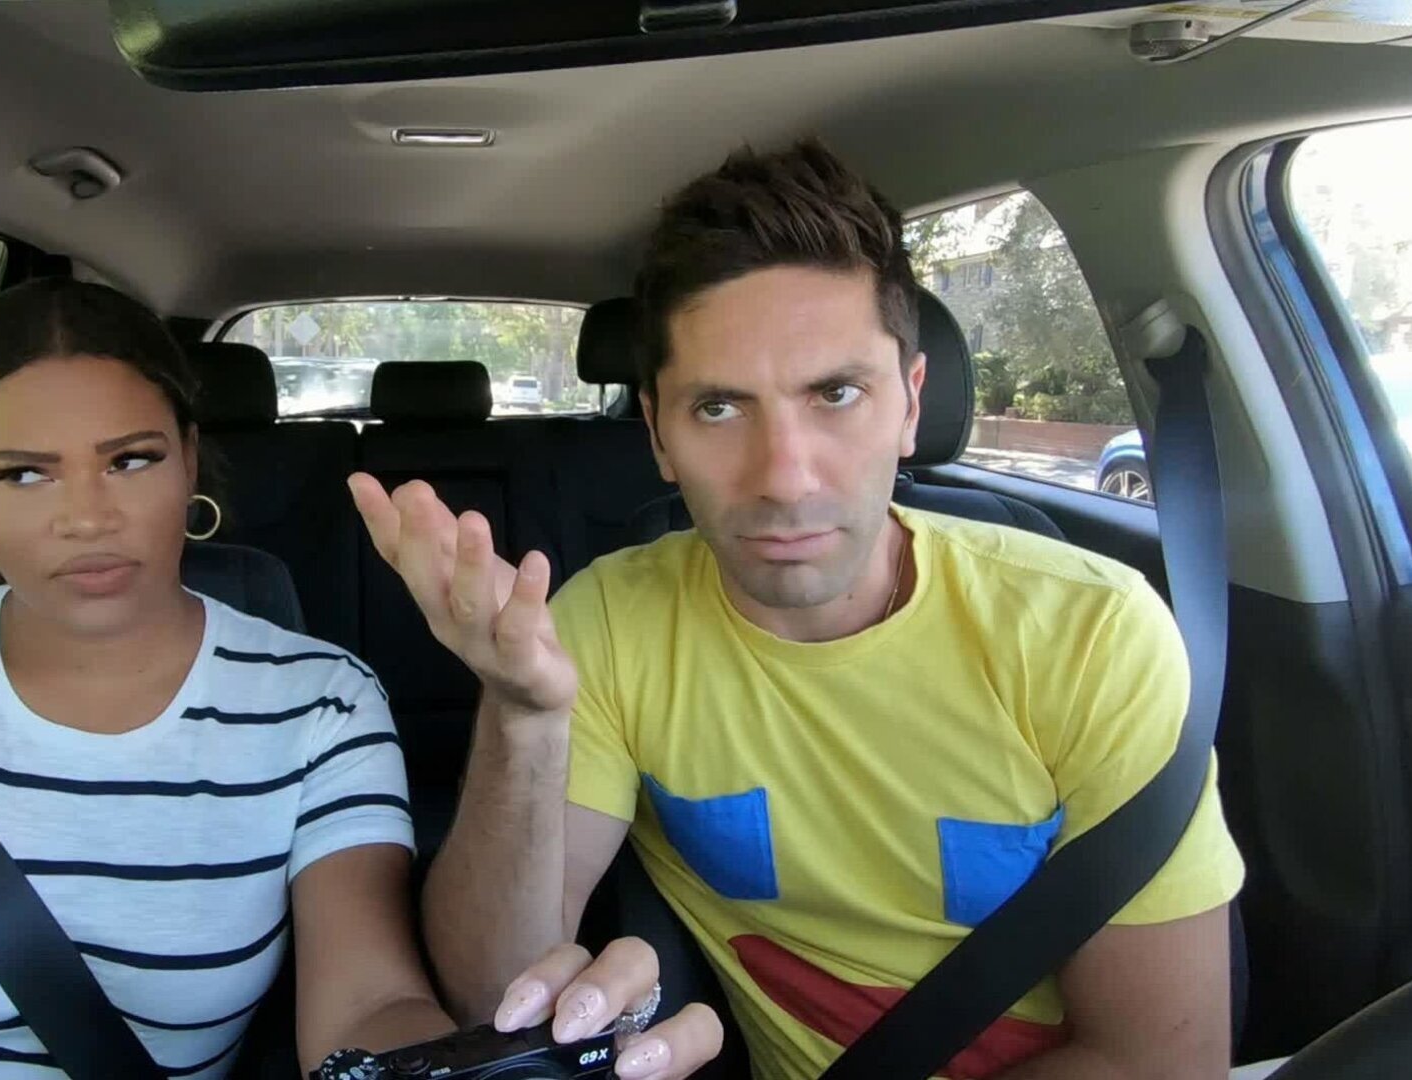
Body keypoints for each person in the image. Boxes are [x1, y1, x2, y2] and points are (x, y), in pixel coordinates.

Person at [0, 279, 672, 1080]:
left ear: (191, 459)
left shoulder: (320, 701)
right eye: (24, 473)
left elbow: (370, 1006)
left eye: (131, 459)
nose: (86, 516)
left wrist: (464, 1070)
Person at [352, 140, 1246, 1078]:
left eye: (836, 394)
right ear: (657, 434)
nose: (784, 477)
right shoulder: (609, 624)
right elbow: (492, 999)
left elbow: (1161, 1065)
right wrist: (523, 714)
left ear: (910, 404)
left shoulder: (1091, 634)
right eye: (719, 409)